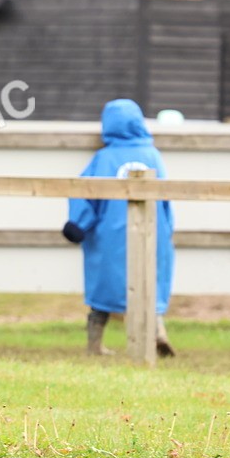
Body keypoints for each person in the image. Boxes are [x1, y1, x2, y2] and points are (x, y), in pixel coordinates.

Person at [62, 99, 176, 357]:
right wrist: (168, 229)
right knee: (150, 282)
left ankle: (95, 344)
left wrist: (78, 224)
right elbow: (166, 199)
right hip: (152, 233)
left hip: (110, 236)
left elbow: (85, 192)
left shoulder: (104, 158)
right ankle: (158, 331)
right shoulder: (152, 156)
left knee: (104, 285)